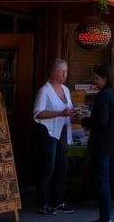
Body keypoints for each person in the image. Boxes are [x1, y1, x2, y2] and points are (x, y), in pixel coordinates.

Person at [88, 65, 114, 222]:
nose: (95, 82)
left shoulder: (104, 96)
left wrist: (86, 121)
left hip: (103, 144)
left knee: (103, 179)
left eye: (97, 78)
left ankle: (105, 217)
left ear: (105, 78)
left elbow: (100, 121)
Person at [33, 59, 75, 215]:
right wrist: (59, 113)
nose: (65, 74)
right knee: (48, 166)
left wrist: (73, 113)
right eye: (62, 71)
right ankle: (43, 202)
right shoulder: (45, 90)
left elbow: (68, 109)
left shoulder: (66, 89)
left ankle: (59, 200)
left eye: (66, 71)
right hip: (48, 132)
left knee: (62, 165)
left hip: (63, 129)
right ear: (53, 72)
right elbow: (38, 113)